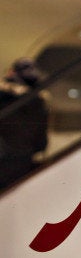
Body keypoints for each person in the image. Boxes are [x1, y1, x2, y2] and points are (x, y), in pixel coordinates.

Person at [0, 58, 48, 188]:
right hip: (22, 166)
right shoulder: (39, 104)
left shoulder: (2, 96)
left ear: (11, 73)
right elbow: (41, 144)